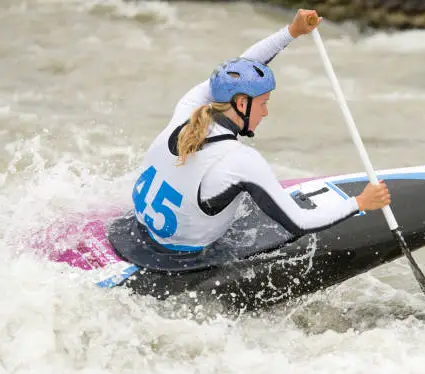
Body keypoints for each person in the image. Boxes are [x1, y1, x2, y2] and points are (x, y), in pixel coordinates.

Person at [131, 9, 391, 252]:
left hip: (142, 231)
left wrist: (292, 31)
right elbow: (299, 222)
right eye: (263, 104)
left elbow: (240, 68)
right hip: (183, 255)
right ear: (242, 104)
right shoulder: (240, 161)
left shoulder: (187, 108)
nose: (265, 113)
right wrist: (360, 203)